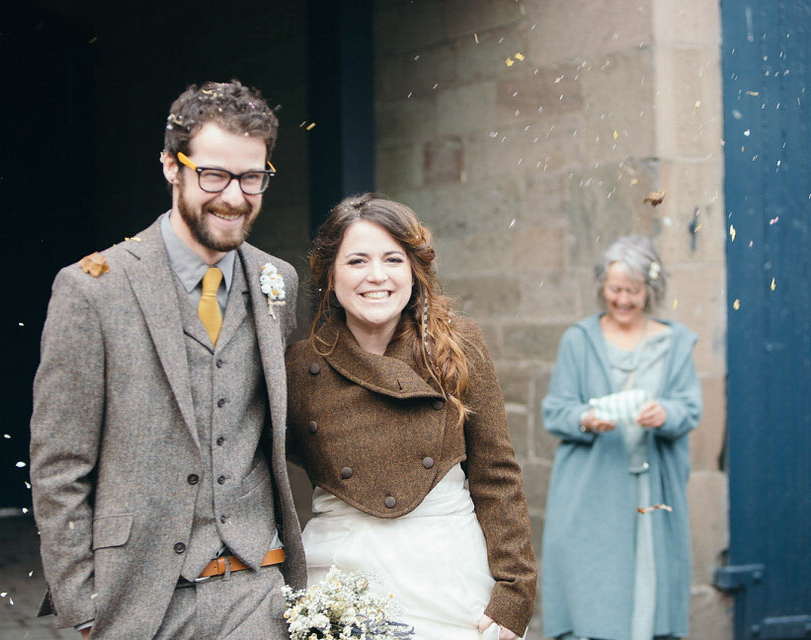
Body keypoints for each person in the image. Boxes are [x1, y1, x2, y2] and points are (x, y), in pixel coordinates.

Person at [29, 80, 305, 640]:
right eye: (213, 175)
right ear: (170, 167)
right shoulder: (93, 289)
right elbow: (59, 466)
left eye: (252, 177)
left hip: (257, 587)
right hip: (139, 599)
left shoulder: (280, 281)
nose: (234, 196)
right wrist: (82, 607)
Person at [285, 194, 537, 640]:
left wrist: (514, 593)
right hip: (342, 580)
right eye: (357, 261)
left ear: (414, 271)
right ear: (329, 274)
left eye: (393, 259)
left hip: (447, 576)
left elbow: (496, 474)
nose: (376, 276)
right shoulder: (301, 365)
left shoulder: (457, 344)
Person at [540, 235, 703, 640]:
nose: (624, 300)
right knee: (591, 584)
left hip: (653, 488)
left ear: (651, 289)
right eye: (615, 289)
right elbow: (555, 411)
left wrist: (665, 413)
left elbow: (690, 408)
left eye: (634, 290)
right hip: (591, 487)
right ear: (602, 287)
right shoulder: (579, 339)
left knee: (650, 586)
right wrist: (588, 418)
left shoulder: (675, 342)